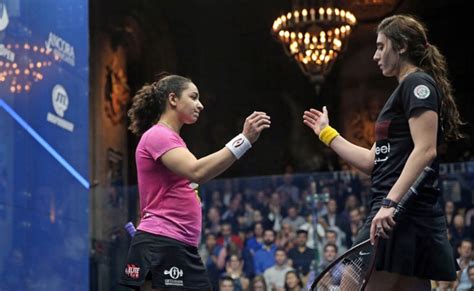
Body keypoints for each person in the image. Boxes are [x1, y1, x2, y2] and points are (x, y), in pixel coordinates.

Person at [303, 15, 463, 290]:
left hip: (398, 215)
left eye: (380, 46)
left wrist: (390, 204)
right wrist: (327, 134)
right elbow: (370, 161)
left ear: (400, 46)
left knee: (350, 287)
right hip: (398, 215)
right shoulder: (401, 93)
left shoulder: (417, 85)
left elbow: (426, 150)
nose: (376, 55)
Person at [119, 73, 271, 290]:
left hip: (172, 244)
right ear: (173, 99)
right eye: (193, 97)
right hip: (163, 242)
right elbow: (197, 171)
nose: (200, 105)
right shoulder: (158, 136)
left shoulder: (172, 139)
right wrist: (244, 140)